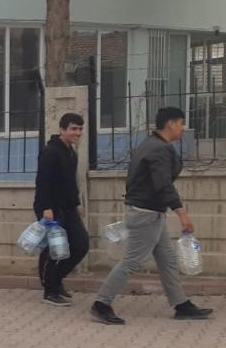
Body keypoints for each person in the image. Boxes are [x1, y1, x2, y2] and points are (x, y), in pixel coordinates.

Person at [91, 107, 213, 325]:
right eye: (181, 124)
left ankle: (181, 304)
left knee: (167, 261)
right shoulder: (158, 149)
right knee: (131, 262)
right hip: (146, 214)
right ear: (171, 124)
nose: (182, 128)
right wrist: (182, 213)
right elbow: (162, 184)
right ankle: (101, 304)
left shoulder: (151, 144)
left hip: (150, 213)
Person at [34, 113, 91, 307]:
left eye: (80, 129)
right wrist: (46, 208)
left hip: (68, 208)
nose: (78, 133)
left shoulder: (70, 152)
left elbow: (70, 183)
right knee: (53, 250)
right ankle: (49, 290)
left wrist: (76, 203)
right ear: (62, 130)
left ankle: (56, 281)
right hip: (51, 208)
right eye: (74, 129)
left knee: (81, 244)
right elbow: (43, 182)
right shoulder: (51, 152)